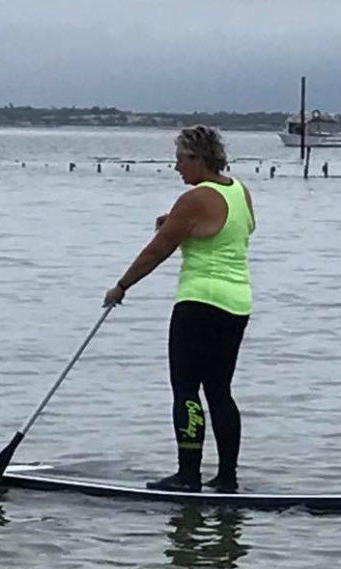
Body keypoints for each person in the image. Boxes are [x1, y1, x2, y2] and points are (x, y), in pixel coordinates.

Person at [103, 125, 255, 493]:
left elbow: (157, 251)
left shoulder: (194, 199)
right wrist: (178, 226)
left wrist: (122, 286)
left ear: (198, 159)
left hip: (199, 302)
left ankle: (188, 476)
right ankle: (227, 478)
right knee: (219, 390)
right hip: (237, 303)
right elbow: (235, 232)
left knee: (186, 388)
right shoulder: (240, 191)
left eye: (180, 160)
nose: (176, 169)